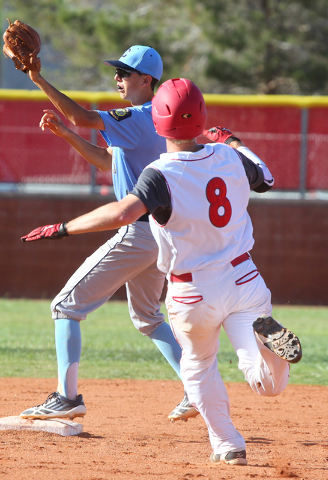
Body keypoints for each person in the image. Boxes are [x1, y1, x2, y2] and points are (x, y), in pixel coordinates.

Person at [21, 78, 302, 465]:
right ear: (202, 117)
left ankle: (227, 443)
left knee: (199, 366)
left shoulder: (159, 172)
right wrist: (231, 140)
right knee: (266, 382)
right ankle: (271, 357)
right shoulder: (227, 156)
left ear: (157, 124)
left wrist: (65, 227)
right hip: (245, 280)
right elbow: (266, 178)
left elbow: (121, 214)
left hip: (193, 292)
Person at [19, 46, 198, 422]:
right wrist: (66, 134)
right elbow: (107, 159)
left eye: (126, 72)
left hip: (138, 232)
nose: (118, 77)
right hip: (162, 234)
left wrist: (38, 79)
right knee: (148, 317)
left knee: (65, 306)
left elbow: (82, 115)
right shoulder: (150, 119)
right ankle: (196, 388)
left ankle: (67, 398)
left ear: (147, 81)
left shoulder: (137, 115)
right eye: (117, 70)